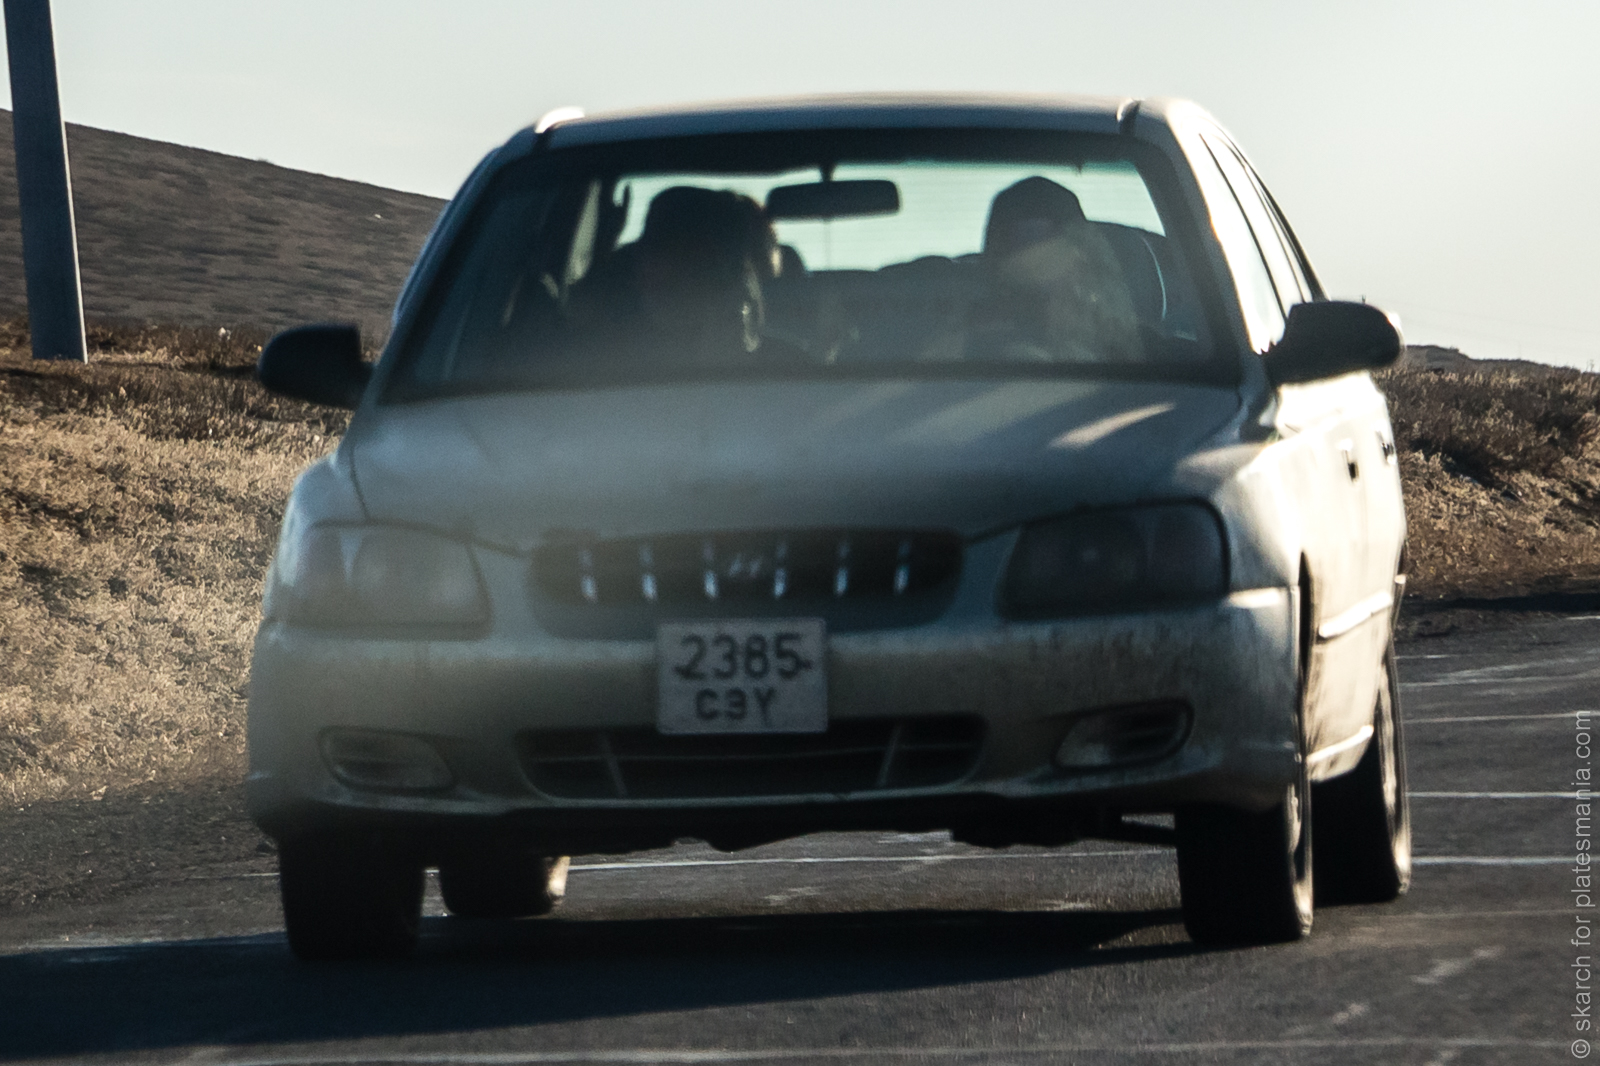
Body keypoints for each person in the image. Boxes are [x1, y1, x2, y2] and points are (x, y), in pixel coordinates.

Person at [569, 186, 784, 362]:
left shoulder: (787, 371)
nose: (653, 266)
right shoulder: (596, 352)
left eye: (695, 261)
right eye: (653, 248)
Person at [948, 176, 1145, 364]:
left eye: (1049, 236)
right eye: (1026, 237)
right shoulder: (962, 337)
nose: (1033, 252)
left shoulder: (1143, 349)